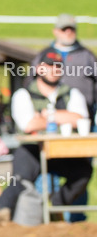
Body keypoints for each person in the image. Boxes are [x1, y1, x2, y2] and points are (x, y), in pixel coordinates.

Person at [0, 51, 92, 222]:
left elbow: (80, 119)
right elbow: (28, 125)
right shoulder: (23, 94)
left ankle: (57, 208)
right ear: (39, 68)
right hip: (33, 150)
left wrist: (46, 115)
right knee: (21, 177)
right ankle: (2, 212)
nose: (54, 70)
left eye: (58, 67)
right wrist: (63, 116)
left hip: (63, 151)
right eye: (50, 66)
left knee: (83, 172)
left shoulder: (72, 93)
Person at [29, 13, 96, 218]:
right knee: (46, 170)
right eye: (64, 29)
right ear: (56, 31)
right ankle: (42, 215)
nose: (68, 33)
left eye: (72, 29)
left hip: (81, 125)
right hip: (49, 126)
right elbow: (30, 86)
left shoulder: (87, 56)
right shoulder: (43, 55)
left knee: (81, 170)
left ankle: (75, 216)